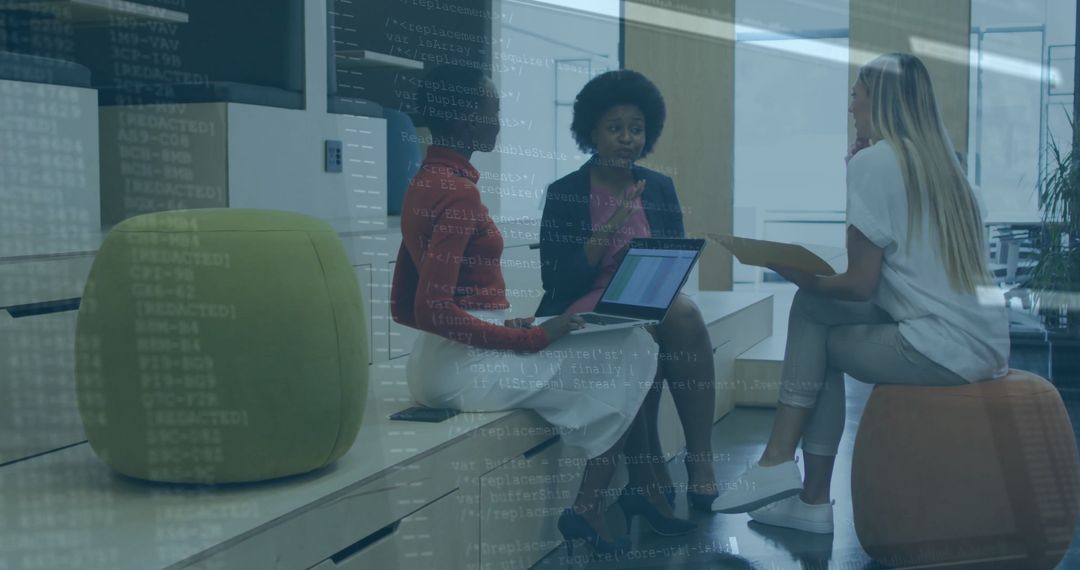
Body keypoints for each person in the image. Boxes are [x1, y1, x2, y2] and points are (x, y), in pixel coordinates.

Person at [390, 65, 693, 556]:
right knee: (635, 346)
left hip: (435, 360)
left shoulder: (425, 180)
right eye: (492, 112)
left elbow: (405, 302)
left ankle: (613, 495)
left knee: (626, 345)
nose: (498, 123)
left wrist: (499, 323)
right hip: (460, 369)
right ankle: (592, 505)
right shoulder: (459, 194)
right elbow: (433, 307)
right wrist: (532, 338)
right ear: (468, 119)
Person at [710, 53, 1010, 534]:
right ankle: (796, 488)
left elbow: (858, 284)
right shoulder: (949, 171)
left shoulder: (877, 163)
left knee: (813, 318)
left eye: (856, 93)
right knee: (818, 321)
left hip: (939, 348)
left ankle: (788, 474)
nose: (851, 106)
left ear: (880, 99)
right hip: (984, 344)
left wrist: (787, 268)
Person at [538, 69, 720, 511]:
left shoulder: (658, 187)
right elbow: (558, 282)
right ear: (592, 132)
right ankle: (649, 470)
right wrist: (614, 223)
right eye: (615, 128)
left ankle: (700, 460)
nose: (627, 139)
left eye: (636, 129)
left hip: (648, 299)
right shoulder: (565, 193)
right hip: (585, 305)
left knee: (684, 315)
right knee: (646, 331)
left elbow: (674, 261)